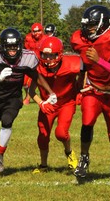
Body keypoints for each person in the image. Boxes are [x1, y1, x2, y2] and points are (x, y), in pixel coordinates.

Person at [0, 27, 56, 174]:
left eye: (15, 46)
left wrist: (51, 93)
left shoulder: (27, 58)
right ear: (2, 47)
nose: (12, 50)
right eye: (9, 47)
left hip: (13, 98)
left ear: (20, 45)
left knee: (7, 121)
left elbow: (37, 77)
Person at [70, 5, 110, 179]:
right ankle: (84, 158)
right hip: (93, 90)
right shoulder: (82, 40)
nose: (88, 29)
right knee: (87, 122)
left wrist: (98, 60)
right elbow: (83, 62)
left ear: (104, 24)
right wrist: (79, 82)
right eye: (87, 24)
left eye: (93, 24)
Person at [29, 36, 80, 173]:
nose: (48, 58)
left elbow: (85, 70)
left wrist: (80, 91)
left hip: (66, 103)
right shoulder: (38, 68)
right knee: (43, 135)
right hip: (48, 105)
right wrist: (41, 103)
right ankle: (43, 165)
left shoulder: (71, 64)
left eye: (52, 55)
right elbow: (30, 90)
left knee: (61, 133)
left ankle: (69, 153)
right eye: (45, 55)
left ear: (59, 54)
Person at [23, 23, 48, 105]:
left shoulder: (46, 39)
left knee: (36, 82)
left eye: (38, 31)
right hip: (30, 62)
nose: (36, 33)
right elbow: (26, 51)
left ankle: (28, 98)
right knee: (24, 83)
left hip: (41, 63)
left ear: (42, 30)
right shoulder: (28, 38)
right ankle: (29, 96)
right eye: (34, 31)